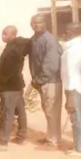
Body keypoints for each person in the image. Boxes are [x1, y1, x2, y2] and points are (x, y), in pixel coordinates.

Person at [0, 26, 29, 151]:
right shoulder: (13, 46)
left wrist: (1, 82)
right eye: (3, 33)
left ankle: (3, 142)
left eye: (6, 34)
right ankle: (21, 136)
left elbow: (11, 70)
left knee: (8, 113)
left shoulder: (14, 49)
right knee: (20, 111)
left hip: (10, 87)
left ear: (13, 35)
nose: (3, 36)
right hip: (15, 85)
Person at [29, 14, 63, 148]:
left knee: (52, 110)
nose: (36, 25)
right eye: (34, 22)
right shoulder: (35, 39)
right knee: (47, 109)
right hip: (42, 80)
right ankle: (51, 136)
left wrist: (40, 79)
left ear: (45, 23)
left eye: (40, 22)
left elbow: (52, 63)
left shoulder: (50, 39)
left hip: (51, 81)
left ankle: (53, 140)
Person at [60, 22, 81, 156]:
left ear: (70, 33)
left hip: (74, 88)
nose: (64, 34)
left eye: (66, 31)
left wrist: (69, 97)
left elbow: (70, 74)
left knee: (76, 118)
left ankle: (80, 148)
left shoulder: (70, 52)